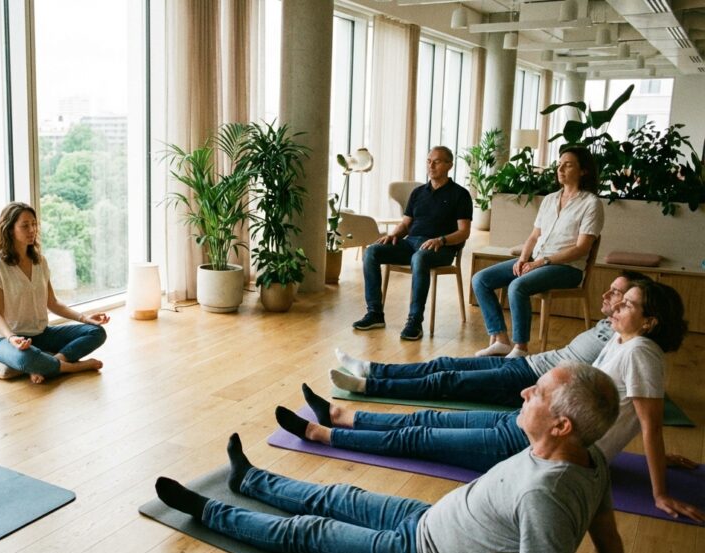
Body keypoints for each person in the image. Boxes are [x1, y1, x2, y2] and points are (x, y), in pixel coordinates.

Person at [282, 281, 705, 522]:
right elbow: (627, 414)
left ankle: (326, 434)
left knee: (419, 438)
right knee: (428, 418)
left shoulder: (642, 354)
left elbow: (647, 421)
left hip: (537, 449)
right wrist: (661, 457)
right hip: (529, 425)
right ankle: (342, 414)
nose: (615, 306)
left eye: (627, 303)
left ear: (650, 321)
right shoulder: (621, 339)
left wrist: (660, 492)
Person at [156, 361, 624, 553]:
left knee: (309, 531)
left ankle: (207, 511)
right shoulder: (591, 457)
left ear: (561, 425)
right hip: (427, 521)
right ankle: (248, 478)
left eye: (537, 393)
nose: (524, 392)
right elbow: (606, 532)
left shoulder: (544, 495)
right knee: (338, 496)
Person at [331, 270, 649, 407]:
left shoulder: (625, 342)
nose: (607, 294)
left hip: (534, 379)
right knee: (445, 362)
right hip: (530, 364)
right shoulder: (609, 326)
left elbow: (612, 388)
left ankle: (370, 386)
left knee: (447, 381)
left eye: (618, 293)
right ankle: (372, 369)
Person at [472, 146, 605, 359]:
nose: (560, 169)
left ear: (583, 171)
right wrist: (523, 258)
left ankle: (521, 348)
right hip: (537, 260)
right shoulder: (550, 199)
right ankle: (501, 340)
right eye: (559, 164)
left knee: (518, 286)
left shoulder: (591, 204)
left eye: (568, 165)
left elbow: (582, 248)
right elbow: (534, 236)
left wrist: (541, 262)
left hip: (567, 268)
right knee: (481, 279)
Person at [353, 146, 472, 341]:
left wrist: (441, 240)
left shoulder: (460, 194)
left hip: (441, 248)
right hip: (411, 243)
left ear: (449, 165)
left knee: (420, 258)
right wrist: (394, 235)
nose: (431, 165)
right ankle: (375, 314)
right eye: (428, 160)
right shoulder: (418, 193)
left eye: (437, 161)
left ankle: (415, 321)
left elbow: (463, 232)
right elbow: (406, 224)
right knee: (372, 252)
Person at [0, 202, 109, 383]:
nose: (32, 230)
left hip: (40, 334)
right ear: (10, 229)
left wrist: (85, 318)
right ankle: (74, 367)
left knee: (97, 332)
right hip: (4, 340)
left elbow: (52, 303)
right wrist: (12, 338)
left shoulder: (39, 261)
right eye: (25, 225)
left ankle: (49, 364)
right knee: (26, 357)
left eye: (34, 224)